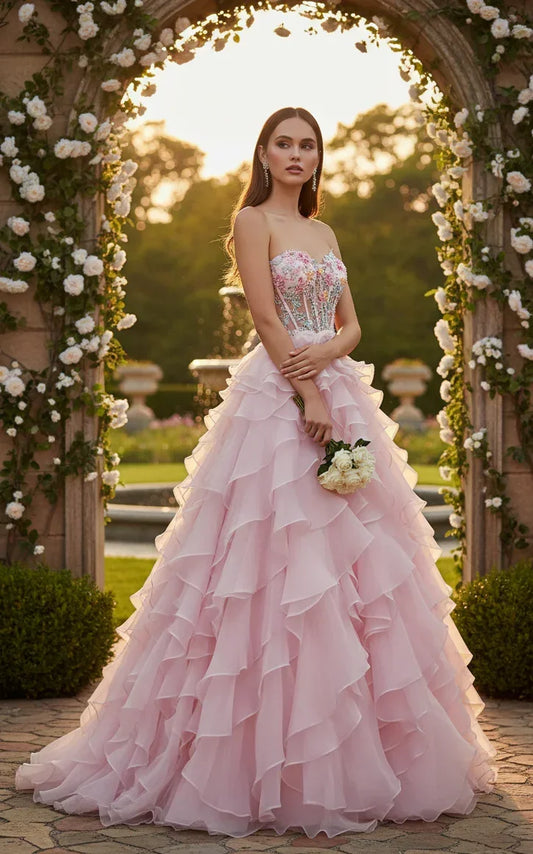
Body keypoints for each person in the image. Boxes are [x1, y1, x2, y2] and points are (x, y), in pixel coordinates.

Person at [15, 105, 497, 838]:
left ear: (315, 156)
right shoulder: (250, 221)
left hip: (336, 388)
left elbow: (353, 324)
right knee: (266, 561)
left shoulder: (325, 230)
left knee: (354, 570)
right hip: (277, 400)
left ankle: (359, 752)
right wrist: (305, 391)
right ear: (263, 152)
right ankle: (242, 756)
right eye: (283, 144)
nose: (295, 155)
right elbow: (266, 318)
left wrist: (329, 366)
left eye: (307, 145)